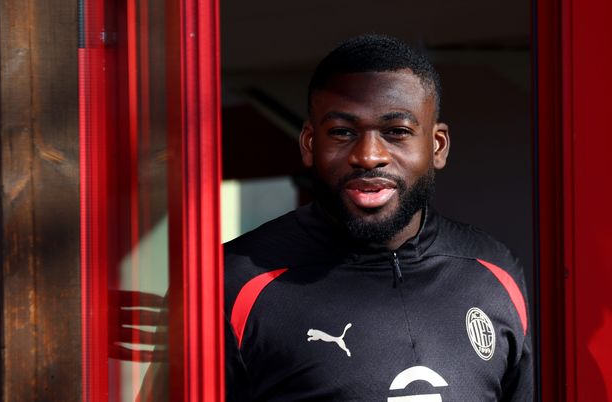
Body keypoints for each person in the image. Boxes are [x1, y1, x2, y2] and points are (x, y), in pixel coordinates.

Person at [224, 34, 533, 401]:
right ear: (309, 144)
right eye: (342, 132)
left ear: (437, 146)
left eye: (396, 132)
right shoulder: (235, 282)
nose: (369, 156)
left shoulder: (492, 271)